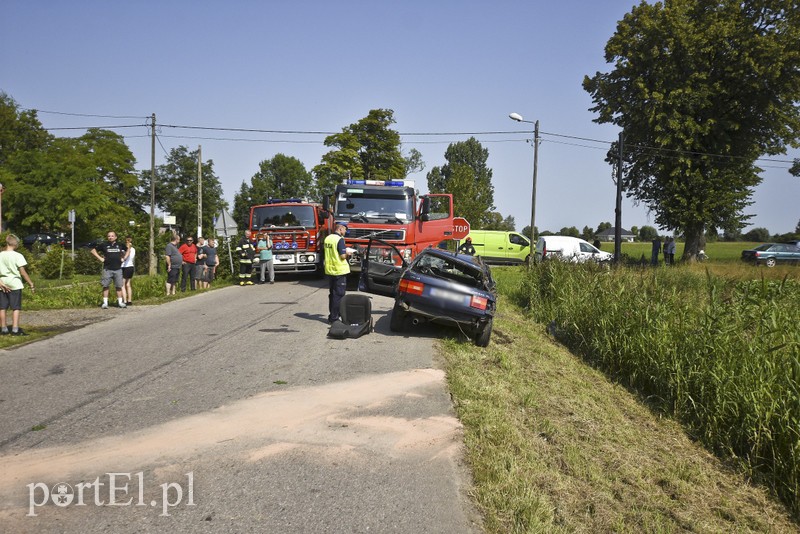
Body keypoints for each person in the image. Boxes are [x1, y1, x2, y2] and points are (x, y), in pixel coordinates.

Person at [0, 234, 35, 335]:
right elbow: (22, 272)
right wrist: (31, 283)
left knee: (2, 307)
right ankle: (15, 329)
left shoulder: (0, 255)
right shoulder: (18, 256)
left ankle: (3, 328)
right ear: (16, 244)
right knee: (15, 307)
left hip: (2, 283)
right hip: (15, 283)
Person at [91, 230, 129, 309]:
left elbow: (128, 249)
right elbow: (93, 250)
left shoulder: (120, 244)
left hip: (118, 269)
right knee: (105, 286)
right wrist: (100, 258)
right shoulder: (104, 245)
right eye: (109, 236)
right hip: (107, 269)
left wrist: (124, 258)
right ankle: (105, 303)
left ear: (115, 237)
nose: (110, 237)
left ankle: (120, 302)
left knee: (119, 286)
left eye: (112, 236)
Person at [324, 223, 351, 324]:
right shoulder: (339, 240)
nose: (345, 232)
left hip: (330, 270)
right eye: (345, 230)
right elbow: (342, 256)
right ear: (340, 229)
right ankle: (334, 318)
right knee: (339, 295)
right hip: (339, 270)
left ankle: (332, 316)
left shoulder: (328, 238)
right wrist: (348, 253)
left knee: (332, 294)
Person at [121, 235, 135, 306]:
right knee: (128, 284)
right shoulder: (133, 249)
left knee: (122, 285)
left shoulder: (125, 249)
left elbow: (125, 257)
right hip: (131, 267)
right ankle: (129, 300)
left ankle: (125, 300)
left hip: (125, 267)